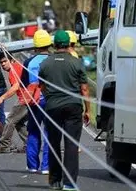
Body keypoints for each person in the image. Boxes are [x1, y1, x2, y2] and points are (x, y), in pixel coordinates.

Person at [38, 30, 91, 191]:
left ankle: (55, 181)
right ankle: (69, 183)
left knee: (54, 143)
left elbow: (42, 86)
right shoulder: (76, 62)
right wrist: (88, 110)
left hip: (53, 107)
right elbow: (85, 89)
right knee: (71, 145)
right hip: (73, 107)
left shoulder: (45, 64)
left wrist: (50, 98)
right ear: (69, 44)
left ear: (54, 45)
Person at [20, 29, 51, 174]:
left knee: (33, 130)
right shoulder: (53, 60)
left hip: (34, 100)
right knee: (49, 132)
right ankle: (46, 166)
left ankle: (32, 165)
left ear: (35, 45)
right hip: (51, 100)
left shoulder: (28, 61)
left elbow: (23, 84)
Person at [0, 52, 28, 153]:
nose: (3, 64)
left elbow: (16, 86)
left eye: (5, 61)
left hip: (26, 99)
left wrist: (1, 98)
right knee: (18, 121)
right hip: (31, 98)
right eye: (1, 62)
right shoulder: (17, 66)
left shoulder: (14, 69)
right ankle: (30, 144)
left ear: (11, 60)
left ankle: (3, 145)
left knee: (10, 120)